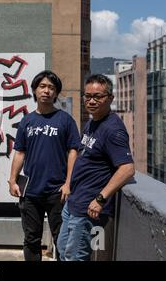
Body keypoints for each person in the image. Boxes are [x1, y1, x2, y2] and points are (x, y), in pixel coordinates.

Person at [57, 74, 135, 261]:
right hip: (74, 201)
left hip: (87, 206)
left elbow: (127, 168)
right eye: (88, 96)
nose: (91, 101)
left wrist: (100, 198)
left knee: (75, 257)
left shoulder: (113, 130)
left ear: (110, 98)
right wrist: (69, 184)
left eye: (97, 97)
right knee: (62, 250)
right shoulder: (92, 122)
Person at [8, 70, 80, 261]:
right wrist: (12, 179)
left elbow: (74, 151)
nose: (46, 91)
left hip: (58, 191)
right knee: (31, 239)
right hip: (30, 192)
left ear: (56, 93)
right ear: (34, 90)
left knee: (62, 240)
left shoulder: (65, 120)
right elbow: (20, 152)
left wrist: (68, 183)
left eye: (51, 87)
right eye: (42, 86)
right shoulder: (27, 121)